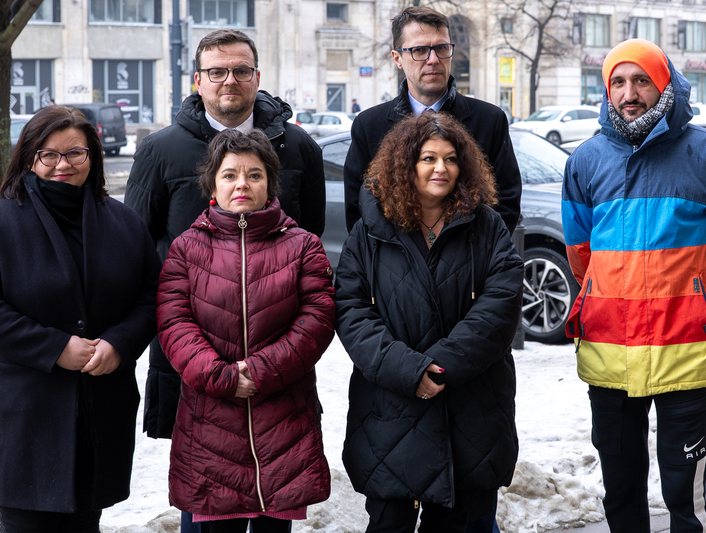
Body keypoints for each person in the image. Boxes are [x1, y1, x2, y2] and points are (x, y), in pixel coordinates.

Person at [562, 39, 706, 532]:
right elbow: (581, 257)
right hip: (608, 347)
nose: (630, 92)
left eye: (642, 80)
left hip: (688, 350)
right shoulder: (584, 162)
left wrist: (701, 305)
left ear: (665, 82)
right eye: (619, 82)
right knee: (620, 482)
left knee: (683, 489)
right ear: (607, 91)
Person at [0, 106, 160, 533]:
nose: (62, 165)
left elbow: (150, 296)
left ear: (93, 156)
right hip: (21, 407)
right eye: (49, 155)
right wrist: (54, 348)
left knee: (86, 518)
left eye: (75, 153)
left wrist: (119, 343)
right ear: (28, 156)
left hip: (98, 404)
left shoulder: (123, 222)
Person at [125, 29, 326, 451]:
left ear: (257, 76)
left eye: (240, 70)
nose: (229, 81)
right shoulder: (159, 150)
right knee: (200, 481)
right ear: (197, 80)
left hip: (278, 351)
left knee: (280, 478)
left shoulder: (299, 146)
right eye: (216, 72)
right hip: (191, 347)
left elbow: (313, 230)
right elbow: (138, 246)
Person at [335, 112, 523, 532]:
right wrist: (409, 370)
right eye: (428, 158)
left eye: (451, 158)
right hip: (390, 408)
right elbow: (350, 309)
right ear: (405, 164)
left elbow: (501, 304)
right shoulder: (369, 231)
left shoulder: (486, 226)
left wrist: (441, 367)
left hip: (470, 407)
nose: (441, 168)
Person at [156, 129, 335, 533]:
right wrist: (221, 377)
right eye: (230, 174)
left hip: (283, 421)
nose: (242, 184)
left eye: (254, 175)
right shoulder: (186, 248)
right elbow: (173, 322)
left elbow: (317, 318)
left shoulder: (303, 245)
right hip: (211, 423)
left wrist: (259, 372)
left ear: (271, 183)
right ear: (213, 184)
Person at [343, 6, 521, 236]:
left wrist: (475, 259)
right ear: (397, 58)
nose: (433, 59)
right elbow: (357, 211)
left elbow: (507, 202)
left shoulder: (489, 120)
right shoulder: (369, 126)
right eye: (419, 50)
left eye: (441, 48)